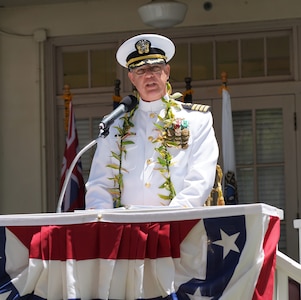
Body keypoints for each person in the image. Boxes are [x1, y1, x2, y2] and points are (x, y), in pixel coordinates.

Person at [85, 33, 219, 209]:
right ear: (132, 78)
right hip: (126, 228)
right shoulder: (115, 125)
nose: (149, 76)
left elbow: (200, 180)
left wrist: (171, 221)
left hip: (179, 225)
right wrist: (104, 225)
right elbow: (99, 185)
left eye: (155, 68)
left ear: (167, 72)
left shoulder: (196, 119)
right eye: (140, 71)